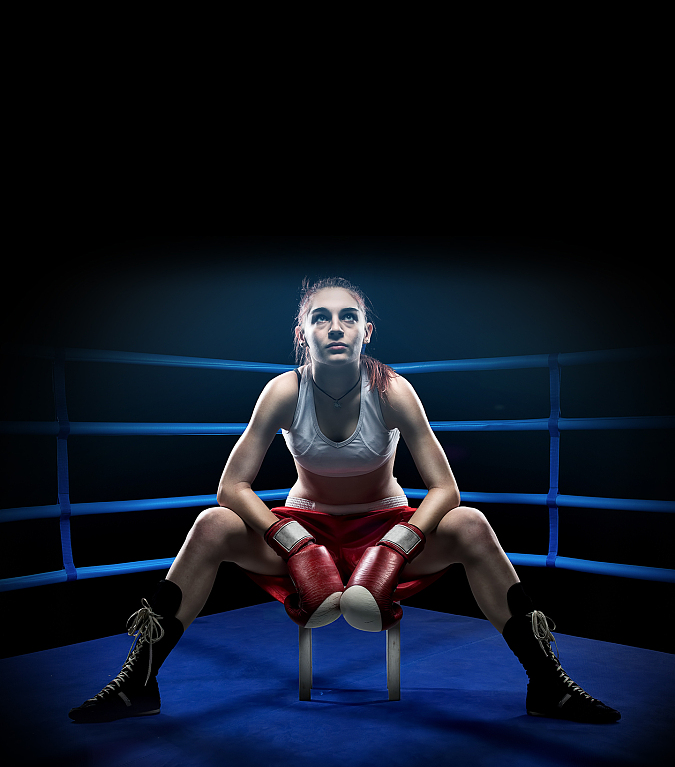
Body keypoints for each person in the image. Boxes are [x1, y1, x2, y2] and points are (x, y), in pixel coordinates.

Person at [68, 277, 620, 725]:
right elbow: (231, 487)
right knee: (212, 524)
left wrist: (398, 543)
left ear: (366, 331)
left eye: (348, 316)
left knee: (471, 524)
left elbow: (446, 490)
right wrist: (290, 539)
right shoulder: (285, 390)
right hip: (305, 533)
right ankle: (137, 683)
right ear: (302, 333)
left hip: (386, 530)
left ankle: (549, 685)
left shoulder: (392, 390)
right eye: (322, 317)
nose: (336, 327)